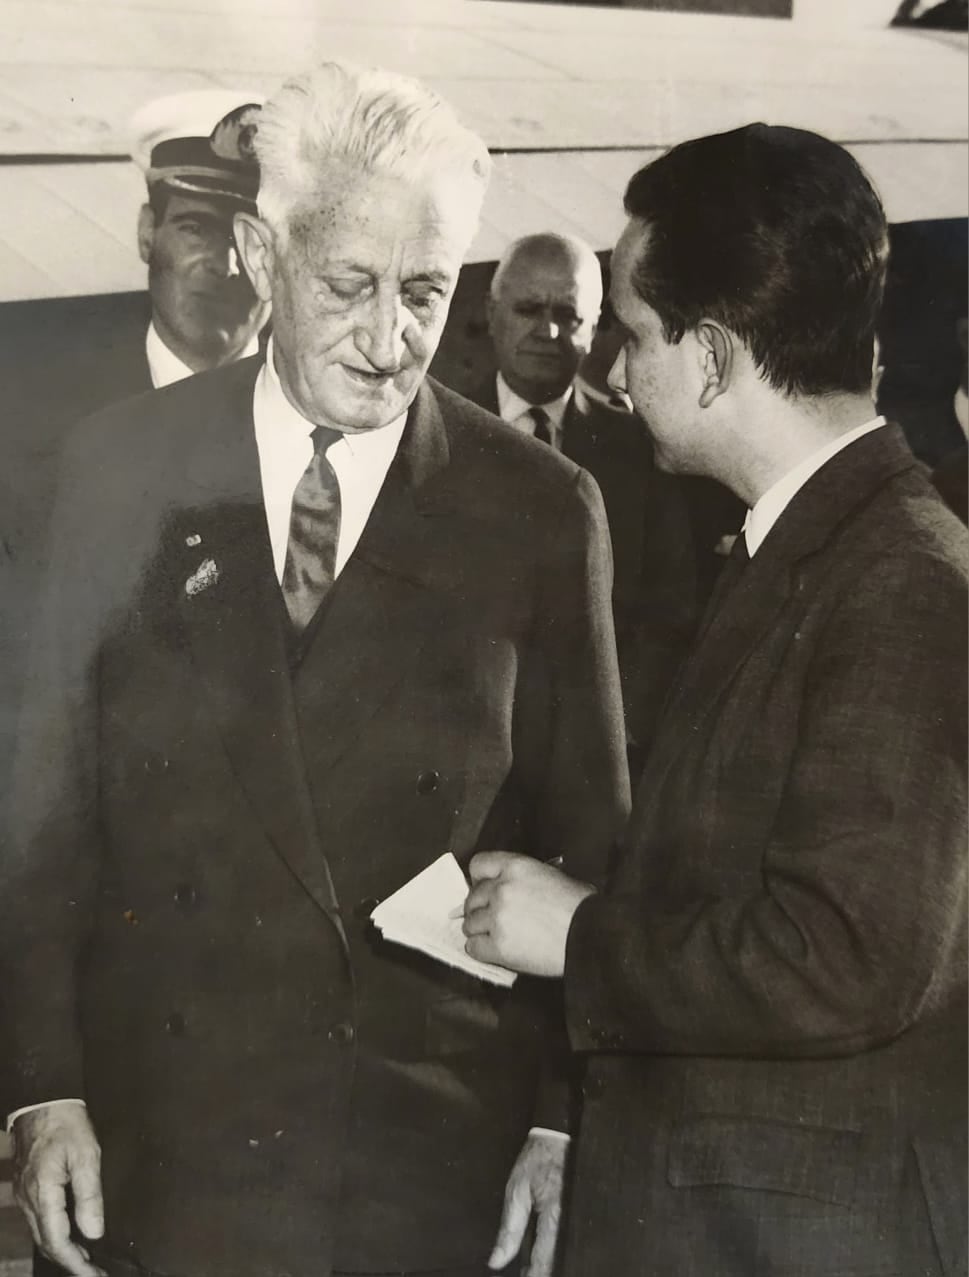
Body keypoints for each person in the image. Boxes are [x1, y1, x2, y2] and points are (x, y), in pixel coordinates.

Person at [0, 61, 629, 1277]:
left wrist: (560, 1117)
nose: (389, 340)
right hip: (163, 1146)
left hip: (428, 1160)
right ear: (258, 250)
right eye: (348, 285)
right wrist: (41, 1090)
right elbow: (41, 819)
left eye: (427, 292)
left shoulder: (542, 508)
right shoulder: (113, 472)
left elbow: (590, 835)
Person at [462, 124, 968, 1276]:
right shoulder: (815, 552)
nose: (616, 371)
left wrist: (576, 932)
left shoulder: (904, 585)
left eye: (635, 335)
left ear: (713, 358)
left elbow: (844, 952)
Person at [0, 89, 271, 836]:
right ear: (148, 230)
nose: (225, 263)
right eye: (194, 227)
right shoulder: (31, 440)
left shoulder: (328, 436)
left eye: (254, 238)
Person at [471, 232, 703, 754]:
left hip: (594, 749)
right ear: (492, 313)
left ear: (594, 327)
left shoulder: (641, 451)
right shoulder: (435, 437)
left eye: (568, 314)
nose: (547, 330)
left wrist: (617, 732)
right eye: (528, 308)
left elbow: (670, 616)